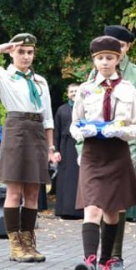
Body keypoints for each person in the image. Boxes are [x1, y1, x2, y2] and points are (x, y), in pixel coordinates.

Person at [0, 33, 59, 263]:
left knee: (33, 192)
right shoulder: (4, 76)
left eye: (30, 52)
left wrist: (51, 147)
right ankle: (15, 245)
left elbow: (48, 118)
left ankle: (29, 242)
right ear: (12, 53)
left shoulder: (40, 81)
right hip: (16, 130)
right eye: (21, 51)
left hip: (37, 132)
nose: (25, 56)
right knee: (14, 191)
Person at [70, 36, 136, 270]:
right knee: (92, 207)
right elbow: (74, 123)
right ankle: (88, 262)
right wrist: (82, 132)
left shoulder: (128, 90)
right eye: (100, 58)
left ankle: (106, 262)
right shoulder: (85, 89)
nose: (104, 62)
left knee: (112, 211)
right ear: (94, 60)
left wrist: (120, 131)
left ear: (118, 59)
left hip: (116, 151)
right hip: (93, 152)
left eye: (109, 58)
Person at [92, 25, 136, 270]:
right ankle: (100, 253)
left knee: (116, 201)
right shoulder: (95, 73)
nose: (111, 48)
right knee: (98, 199)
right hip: (97, 145)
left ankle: (114, 256)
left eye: (117, 44)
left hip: (125, 145)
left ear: (127, 47)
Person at [54, 83, 83, 219]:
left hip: (79, 145)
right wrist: (56, 150)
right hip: (65, 146)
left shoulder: (85, 108)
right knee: (65, 179)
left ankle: (79, 211)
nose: (73, 93)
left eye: (76, 91)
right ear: (67, 94)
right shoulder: (62, 110)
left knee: (79, 178)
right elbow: (56, 131)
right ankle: (64, 210)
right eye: (71, 91)